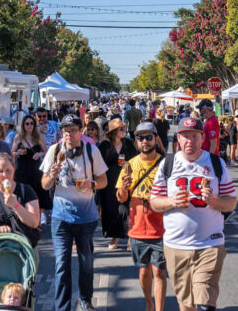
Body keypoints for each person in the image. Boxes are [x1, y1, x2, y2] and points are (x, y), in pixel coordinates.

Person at [151, 117, 237, 311]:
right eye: (185, 136)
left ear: (202, 138)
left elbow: (232, 201)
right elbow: (155, 201)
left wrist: (214, 201)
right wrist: (171, 201)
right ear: (178, 139)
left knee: (204, 304)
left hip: (210, 244)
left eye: (195, 136)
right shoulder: (168, 164)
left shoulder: (216, 163)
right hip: (176, 245)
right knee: (186, 304)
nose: (190, 141)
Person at [41, 114, 108, 311]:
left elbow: (103, 181)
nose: (69, 134)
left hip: (86, 217)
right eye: (65, 131)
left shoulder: (91, 150)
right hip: (61, 218)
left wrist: (92, 184)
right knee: (62, 265)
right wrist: (52, 176)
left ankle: (85, 300)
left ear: (81, 132)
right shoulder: (54, 151)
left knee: (86, 264)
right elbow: (44, 185)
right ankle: (62, 307)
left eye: (73, 130)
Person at [116, 121, 167, 311]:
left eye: (148, 137)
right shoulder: (129, 165)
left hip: (162, 227)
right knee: (144, 270)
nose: (144, 141)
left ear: (156, 139)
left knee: (159, 271)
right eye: (140, 138)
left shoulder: (165, 164)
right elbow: (121, 198)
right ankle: (148, 303)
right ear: (136, 141)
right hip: (138, 227)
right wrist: (123, 187)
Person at [0, 152, 42, 246]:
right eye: (0, 171)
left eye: (8, 170)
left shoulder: (26, 191)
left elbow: (34, 222)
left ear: (14, 169)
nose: (5, 175)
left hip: (24, 249)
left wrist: (16, 205)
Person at [97, 119, 137, 249]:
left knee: (126, 208)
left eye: (124, 128)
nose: (124, 131)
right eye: (121, 129)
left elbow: (135, 160)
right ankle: (114, 237)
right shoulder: (104, 146)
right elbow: (98, 163)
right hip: (108, 182)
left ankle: (130, 236)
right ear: (114, 132)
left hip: (125, 180)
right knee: (111, 210)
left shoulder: (129, 144)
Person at [14, 115, 50, 220]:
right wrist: (17, 152)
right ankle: (24, 215)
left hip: (35, 169)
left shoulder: (39, 137)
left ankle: (40, 214)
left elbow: (47, 152)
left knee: (38, 190)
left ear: (34, 125)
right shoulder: (18, 137)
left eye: (32, 123)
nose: (29, 126)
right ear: (23, 125)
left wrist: (40, 154)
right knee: (22, 192)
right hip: (22, 169)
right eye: (27, 123)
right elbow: (11, 152)